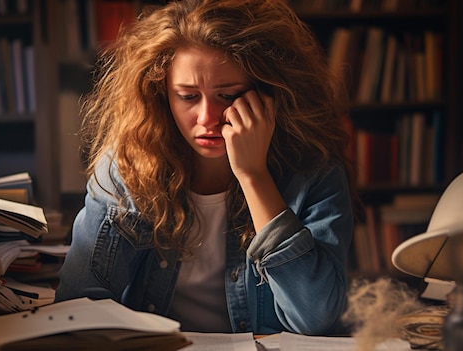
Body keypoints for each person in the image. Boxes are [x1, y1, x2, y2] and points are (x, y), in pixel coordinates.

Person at [55, 0, 358, 336]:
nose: (207, 119)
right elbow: (79, 303)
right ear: (161, 94)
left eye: (227, 95)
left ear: (268, 94)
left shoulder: (313, 171)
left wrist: (253, 176)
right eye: (187, 96)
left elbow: (315, 318)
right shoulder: (128, 166)